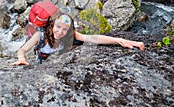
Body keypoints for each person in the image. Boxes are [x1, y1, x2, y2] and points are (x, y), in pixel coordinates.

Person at [11, 12, 145, 66]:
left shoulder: (71, 35)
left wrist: (120, 41)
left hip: (61, 52)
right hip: (44, 54)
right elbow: (22, 49)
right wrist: (22, 58)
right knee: (41, 62)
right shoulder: (40, 36)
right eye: (58, 27)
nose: (60, 32)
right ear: (52, 25)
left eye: (64, 29)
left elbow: (94, 39)